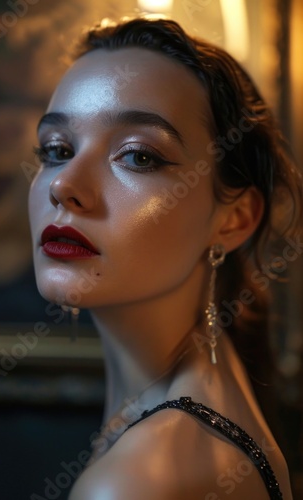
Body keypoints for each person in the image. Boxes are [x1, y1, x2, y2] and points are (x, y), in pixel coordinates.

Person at [28, 16, 302, 499]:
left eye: (138, 156)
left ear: (234, 219)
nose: (63, 185)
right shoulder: (204, 396)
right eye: (57, 149)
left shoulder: (136, 482)